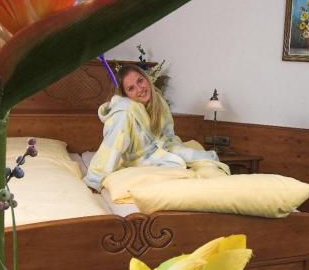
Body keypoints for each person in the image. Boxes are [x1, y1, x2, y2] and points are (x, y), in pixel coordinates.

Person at [84, 64, 226, 191]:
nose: (140, 89)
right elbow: (112, 146)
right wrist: (94, 180)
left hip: (160, 147)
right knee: (176, 164)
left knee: (203, 157)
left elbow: (168, 134)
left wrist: (175, 149)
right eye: (131, 88)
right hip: (135, 157)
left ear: (146, 78)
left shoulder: (158, 101)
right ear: (125, 94)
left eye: (140, 81)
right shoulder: (124, 112)